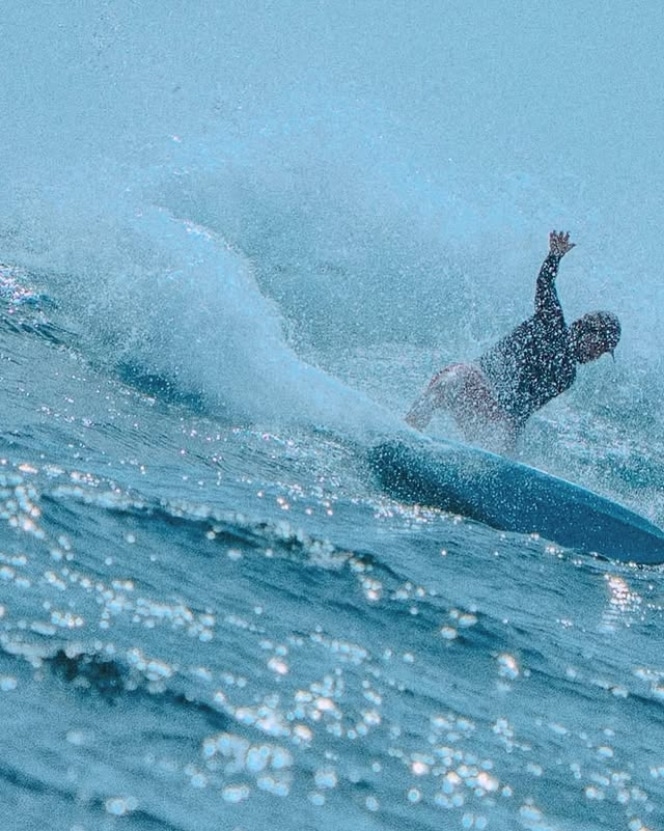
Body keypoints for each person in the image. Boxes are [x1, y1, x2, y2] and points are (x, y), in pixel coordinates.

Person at [405, 231, 621, 452]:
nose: (598, 354)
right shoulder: (552, 321)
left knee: (506, 435)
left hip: (494, 415)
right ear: (586, 330)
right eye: (600, 346)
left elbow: (523, 410)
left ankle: (477, 464)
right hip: (476, 381)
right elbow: (545, 283)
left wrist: (509, 443)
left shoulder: (567, 375)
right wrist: (554, 256)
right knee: (456, 376)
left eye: (604, 352)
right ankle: (407, 435)